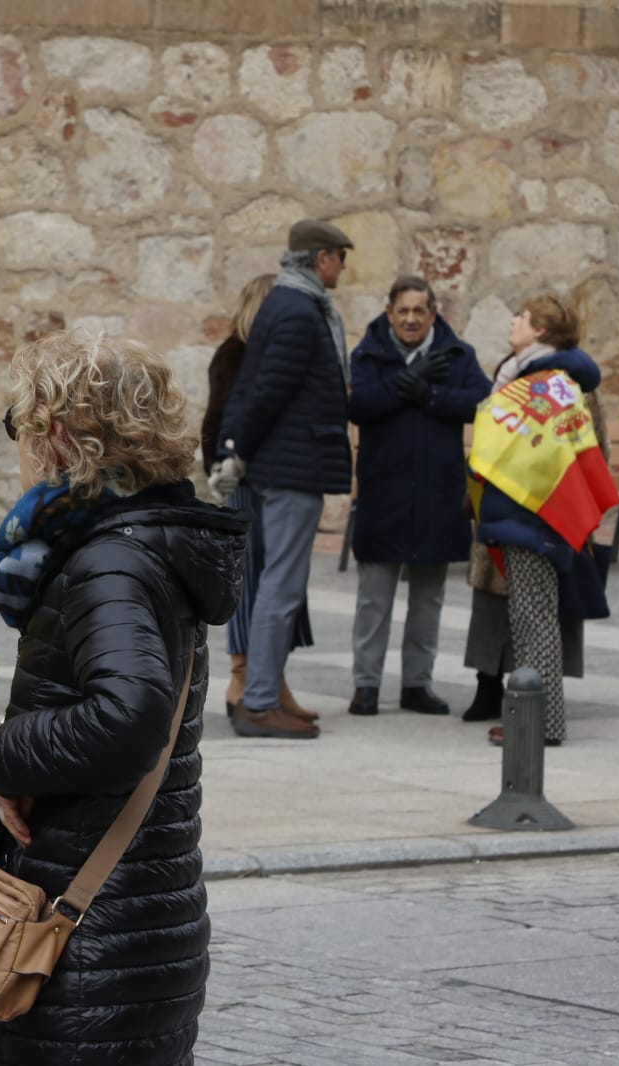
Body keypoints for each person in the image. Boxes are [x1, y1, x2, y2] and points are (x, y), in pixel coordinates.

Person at [0, 331, 246, 1066]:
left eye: (23, 426)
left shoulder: (111, 561)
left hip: (96, 935)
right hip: (131, 919)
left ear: (60, 437)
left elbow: (129, 717)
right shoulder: (146, 540)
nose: (20, 447)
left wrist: (7, 755)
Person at [215, 218, 356, 739]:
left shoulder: (288, 304)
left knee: (280, 582)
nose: (343, 266)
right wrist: (235, 451)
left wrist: (233, 449)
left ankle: (266, 691)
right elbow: (266, 390)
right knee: (282, 584)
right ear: (321, 258)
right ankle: (258, 701)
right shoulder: (300, 310)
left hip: (287, 462)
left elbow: (252, 386)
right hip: (294, 467)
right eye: (341, 256)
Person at [465, 294, 611, 747]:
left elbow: (560, 451)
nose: (513, 322)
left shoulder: (548, 383)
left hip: (535, 513)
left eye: (523, 318)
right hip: (525, 512)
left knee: (535, 619)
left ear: (541, 331)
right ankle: (533, 718)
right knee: (532, 616)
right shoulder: (532, 375)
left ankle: (541, 724)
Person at [345, 277, 491, 717]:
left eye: (419, 311)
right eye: (403, 311)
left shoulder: (457, 354)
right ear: (390, 312)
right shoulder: (368, 354)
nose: (411, 319)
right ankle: (366, 685)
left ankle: (417, 684)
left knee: (428, 600)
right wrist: (403, 383)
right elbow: (357, 404)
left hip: (437, 495)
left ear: (433, 313)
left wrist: (429, 394)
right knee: (374, 600)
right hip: (383, 493)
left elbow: (481, 403)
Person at [203, 273, 317, 722]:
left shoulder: (271, 354)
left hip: (270, 474)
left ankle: (272, 676)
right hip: (245, 478)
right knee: (251, 578)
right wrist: (221, 467)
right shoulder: (237, 353)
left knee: (277, 579)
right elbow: (217, 419)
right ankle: (242, 675)